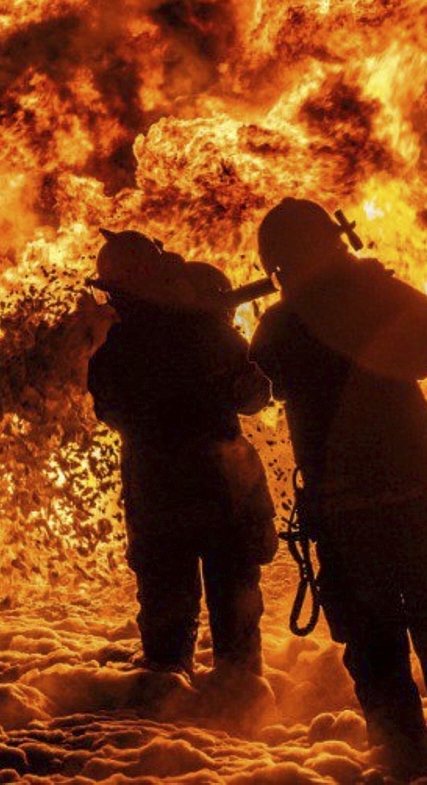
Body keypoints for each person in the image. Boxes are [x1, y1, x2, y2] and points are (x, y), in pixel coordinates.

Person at [250, 198, 427, 776]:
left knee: (381, 647)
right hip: (412, 498)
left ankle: (413, 762)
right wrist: (375, 291)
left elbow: (265, 368)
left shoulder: (283, 324)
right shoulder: (370, 303)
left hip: (351, 510)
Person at [86, 230, 278, 683]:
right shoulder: (206, 334)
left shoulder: (123, 346)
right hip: (217, 494)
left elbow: (110, 410)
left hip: (166, 498)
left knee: (171, 624)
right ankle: (232, 714)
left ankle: (179, 712)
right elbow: (253, 396)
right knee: (230, 617)